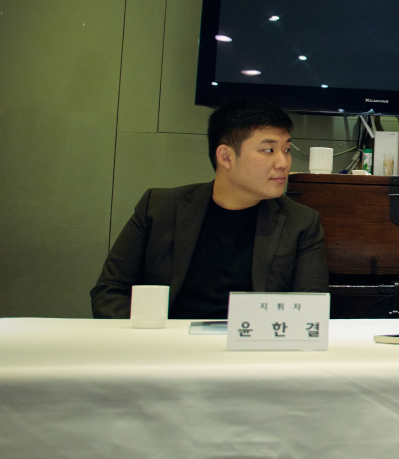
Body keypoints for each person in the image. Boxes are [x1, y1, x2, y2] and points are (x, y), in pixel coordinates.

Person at [90, 100, 328, 320]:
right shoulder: (159, 207)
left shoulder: (301, 223)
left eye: (286, 150)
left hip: (250, 354)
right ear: (225, 157)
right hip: (166, 349)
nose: (283, 163)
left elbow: (309, 310)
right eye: (269, 150)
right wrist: (150, 340)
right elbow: (110, 291)